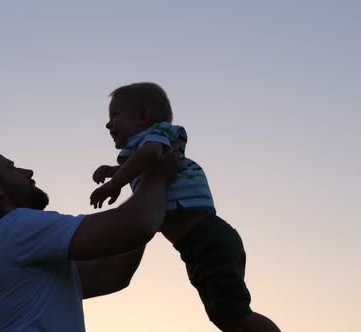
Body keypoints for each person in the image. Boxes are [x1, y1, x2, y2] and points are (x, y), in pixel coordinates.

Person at [90, 82, 281, 332]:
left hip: (206, 238)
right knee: (224, 316)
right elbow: (145, 162)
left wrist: (114, 183)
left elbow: (150, 156)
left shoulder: (158, 134)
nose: (108, 123)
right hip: (197, 244)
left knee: (234, 315)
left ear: (143, 115)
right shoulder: (146, 146)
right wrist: (115, 171)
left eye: (115, 115)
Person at [0, 145, 180, 331]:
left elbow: (112, 274)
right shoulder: (16, 228)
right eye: (12, 167)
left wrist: (145, 189)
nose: (28, 172)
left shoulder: (11, 245)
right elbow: (137, 224)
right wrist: (156, 175)